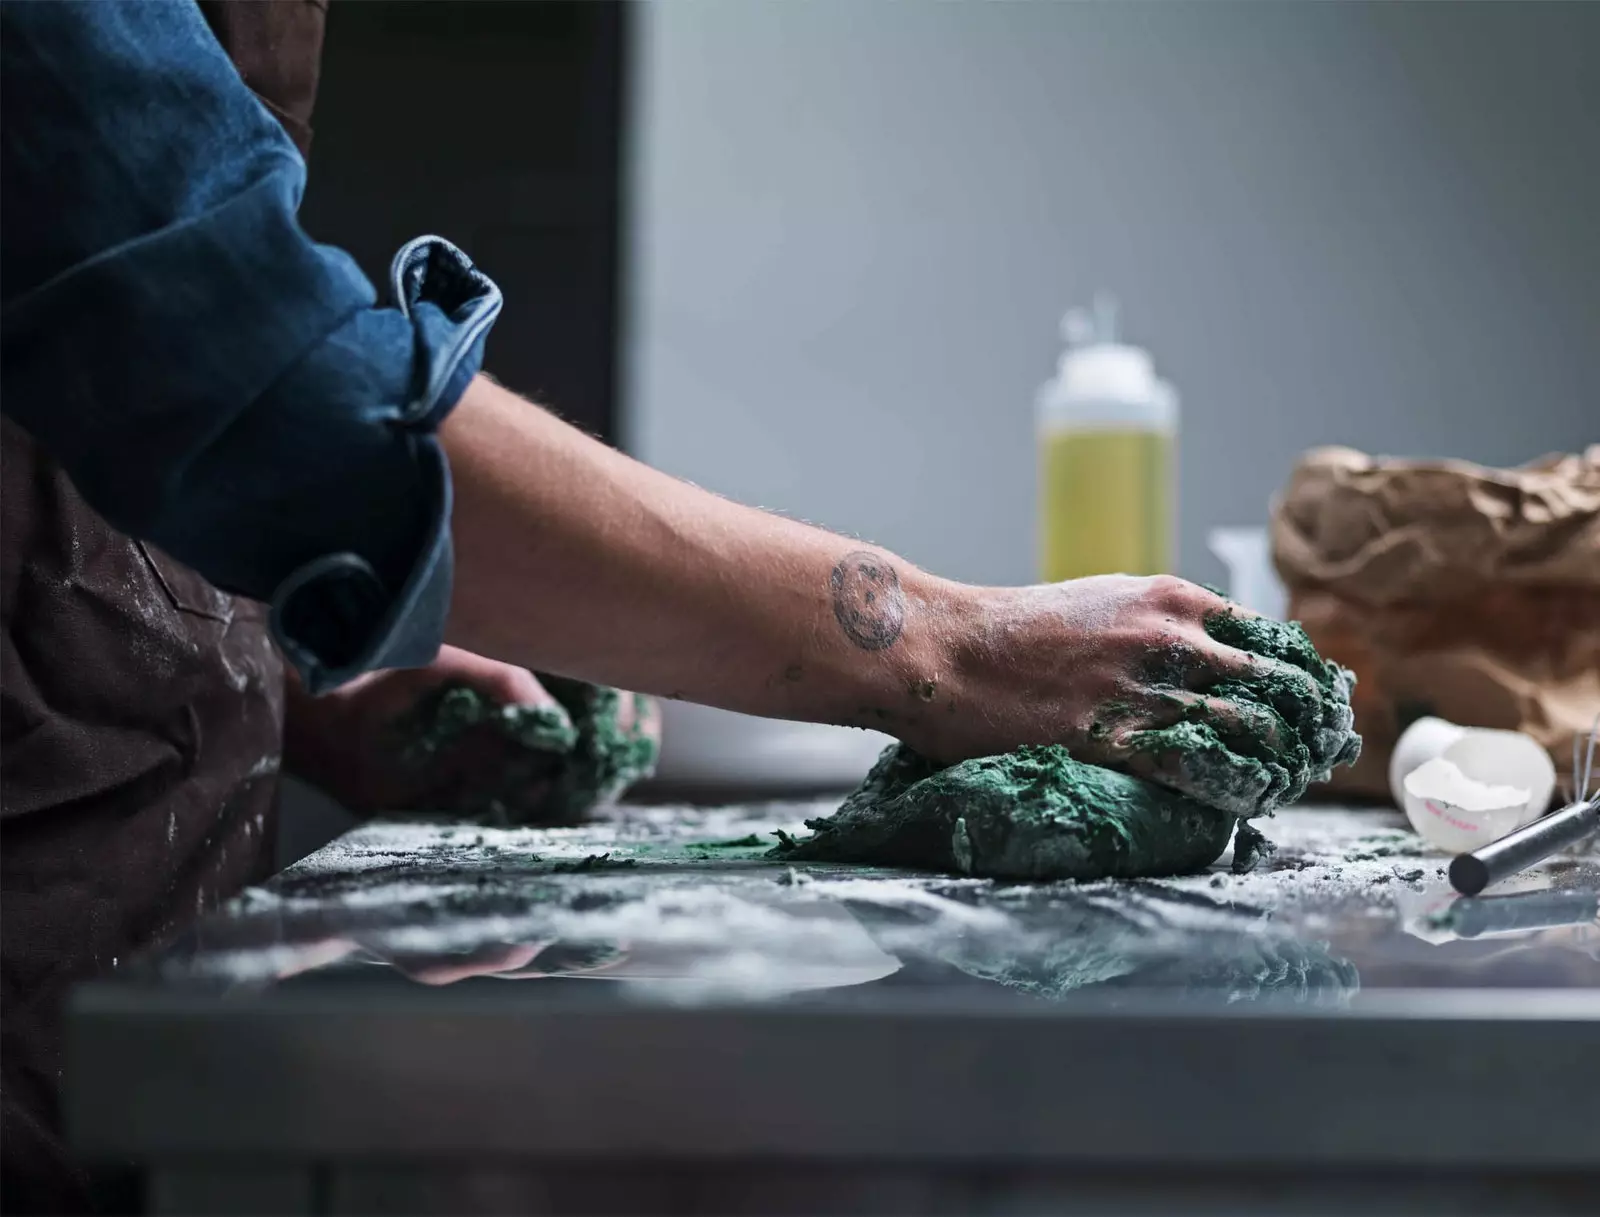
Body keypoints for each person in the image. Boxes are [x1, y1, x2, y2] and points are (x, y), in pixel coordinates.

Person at [0, 2, 1333, 1210]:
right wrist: (949, 645)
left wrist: (299, 668)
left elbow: (87, 382)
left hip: (131, 989)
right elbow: (264, 376)